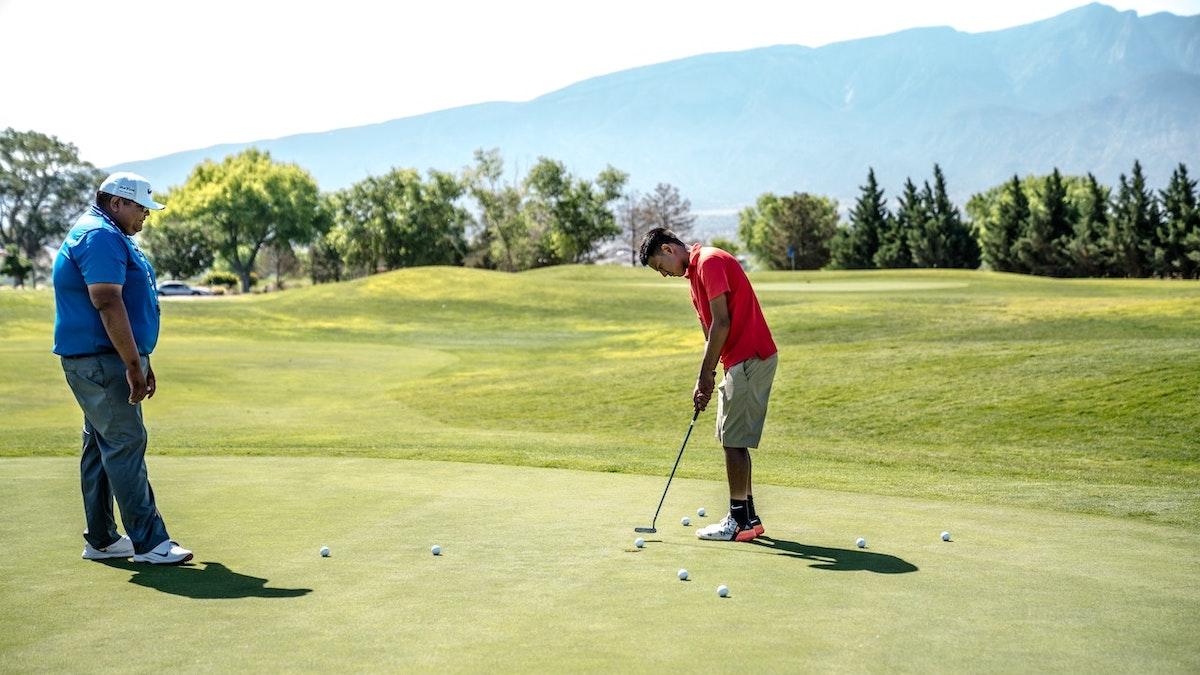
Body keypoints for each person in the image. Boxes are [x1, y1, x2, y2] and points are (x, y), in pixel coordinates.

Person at [52, 172, 192, 564]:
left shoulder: (108, 234)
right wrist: (133, 363)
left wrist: (140, 357)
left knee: (100, 446)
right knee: (126, 443)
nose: (146, 215)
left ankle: (102, 539)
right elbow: (107, 301)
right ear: (116, 202)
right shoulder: (100, 236)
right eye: (140, 207)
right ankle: (149, 543)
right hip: (101, 360)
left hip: (105, 357)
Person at [639, 227, 778, 542]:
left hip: (750, 356)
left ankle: (739, 521)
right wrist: (707, 376)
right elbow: (710, 332)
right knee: (733, 438)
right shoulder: (694, 278)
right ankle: (749, 517)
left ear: (668, 249)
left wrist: (705, 375)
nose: (664, 275)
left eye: (661, 267)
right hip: (737, 361)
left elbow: (723, 321)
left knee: (733, 440)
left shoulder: (710, 262)